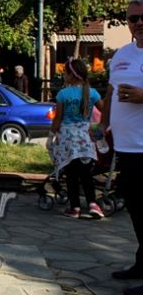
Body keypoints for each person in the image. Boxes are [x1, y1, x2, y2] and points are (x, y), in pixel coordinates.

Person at [100, 0, 143, 295]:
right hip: (126, 146)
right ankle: (142, 263)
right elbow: (112, 90)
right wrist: (104, 125)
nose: (139, 23)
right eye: (133, 18)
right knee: (136, 209)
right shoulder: (122, 54)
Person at [48, 58, 104, 219]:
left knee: (71, 174)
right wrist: (99, 129)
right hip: (86, 138)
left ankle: (75, 208)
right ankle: (93, 204)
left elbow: (57, 118)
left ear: (71, 76)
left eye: (65, 73)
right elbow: (104, 110)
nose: (63, 76)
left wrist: (51, 136)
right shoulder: (92, 93)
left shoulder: (63, 94)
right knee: (86, 175)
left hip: (68, 138)